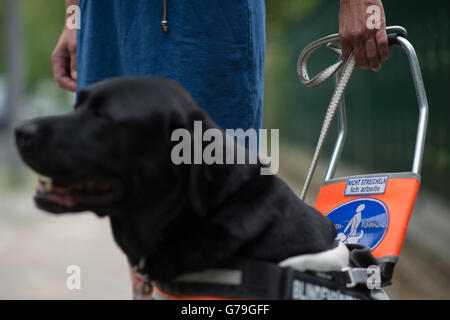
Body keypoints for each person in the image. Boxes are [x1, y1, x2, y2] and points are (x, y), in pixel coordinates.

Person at [51, 0, 389, 300]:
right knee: (134, 197)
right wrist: (73, 15)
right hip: (108, 14)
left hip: (204, 20)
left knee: (215, 197)